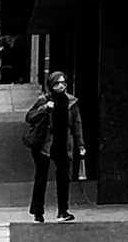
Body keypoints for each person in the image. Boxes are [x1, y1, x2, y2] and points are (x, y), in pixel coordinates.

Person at [26, 69, 86, 222]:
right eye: (57, 83)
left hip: (63, 145)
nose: (61, 86)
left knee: (64, 177)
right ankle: (38, 212)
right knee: (41, 177)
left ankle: (63, 211)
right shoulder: (43, 100)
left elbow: (76, 125)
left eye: (63, 82)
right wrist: (44, 108)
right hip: (44, 145)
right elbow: (29, 117)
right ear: (51, 85)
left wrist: (80, 144)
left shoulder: (72, 102)